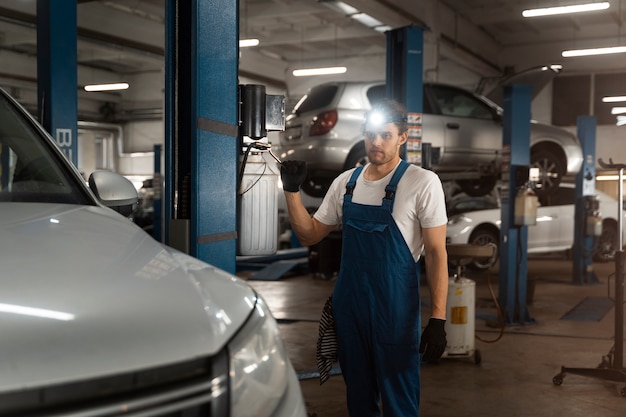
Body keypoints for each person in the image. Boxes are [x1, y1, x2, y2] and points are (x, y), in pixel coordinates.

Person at [280, 99, 449, 417]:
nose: (376, 142)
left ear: (403, 137)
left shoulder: (422, 182)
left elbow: (437, 253)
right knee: (358, 399)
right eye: (371, 134)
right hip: (351, 309)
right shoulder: (346, 183)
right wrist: (291, 191)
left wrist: (438, 318)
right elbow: (310, 234)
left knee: (399, 400)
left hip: (394, 313)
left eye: (385, 135)